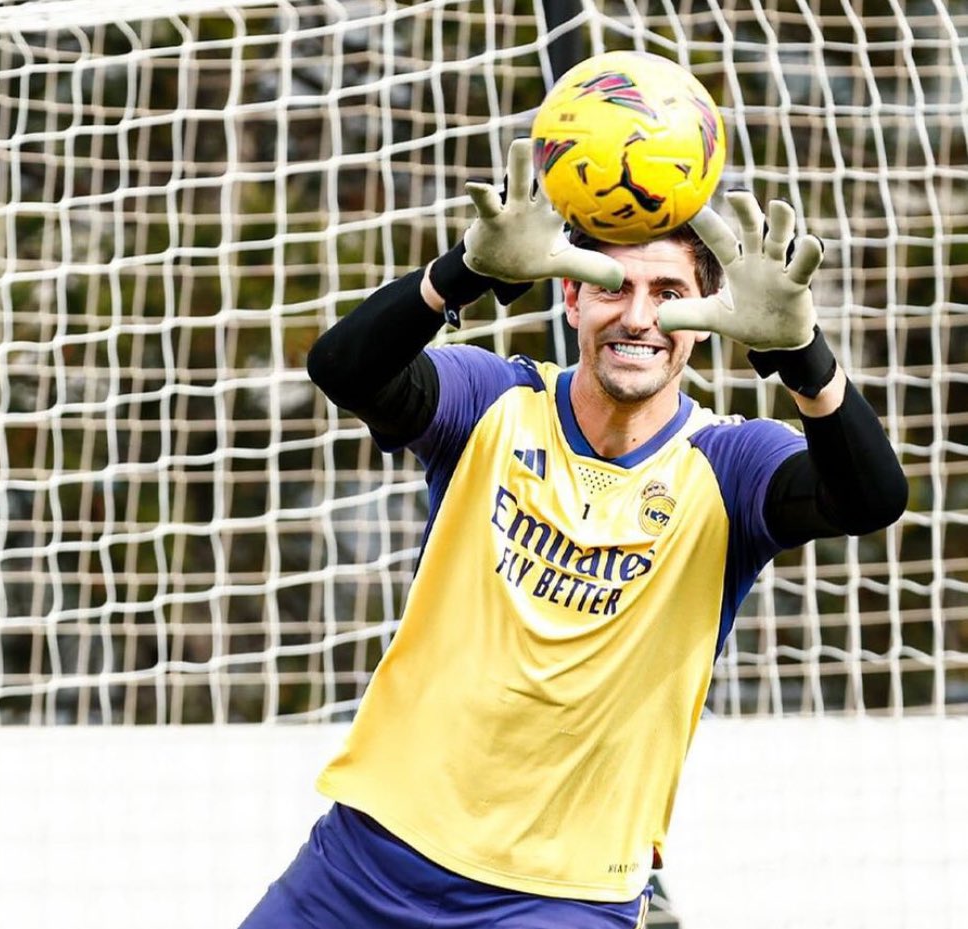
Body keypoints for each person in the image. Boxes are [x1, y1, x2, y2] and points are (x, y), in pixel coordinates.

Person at [239, 139, 908, 928]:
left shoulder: (728, 464)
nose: (638, 316)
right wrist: (461, 273)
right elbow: (341, 368)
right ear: (571, 297)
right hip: (369, 859)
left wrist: (806, 357)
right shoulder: (496, 399)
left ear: (708, 314)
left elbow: (872, 497)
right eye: (615, 287)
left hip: (563, 899)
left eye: (668, 293)